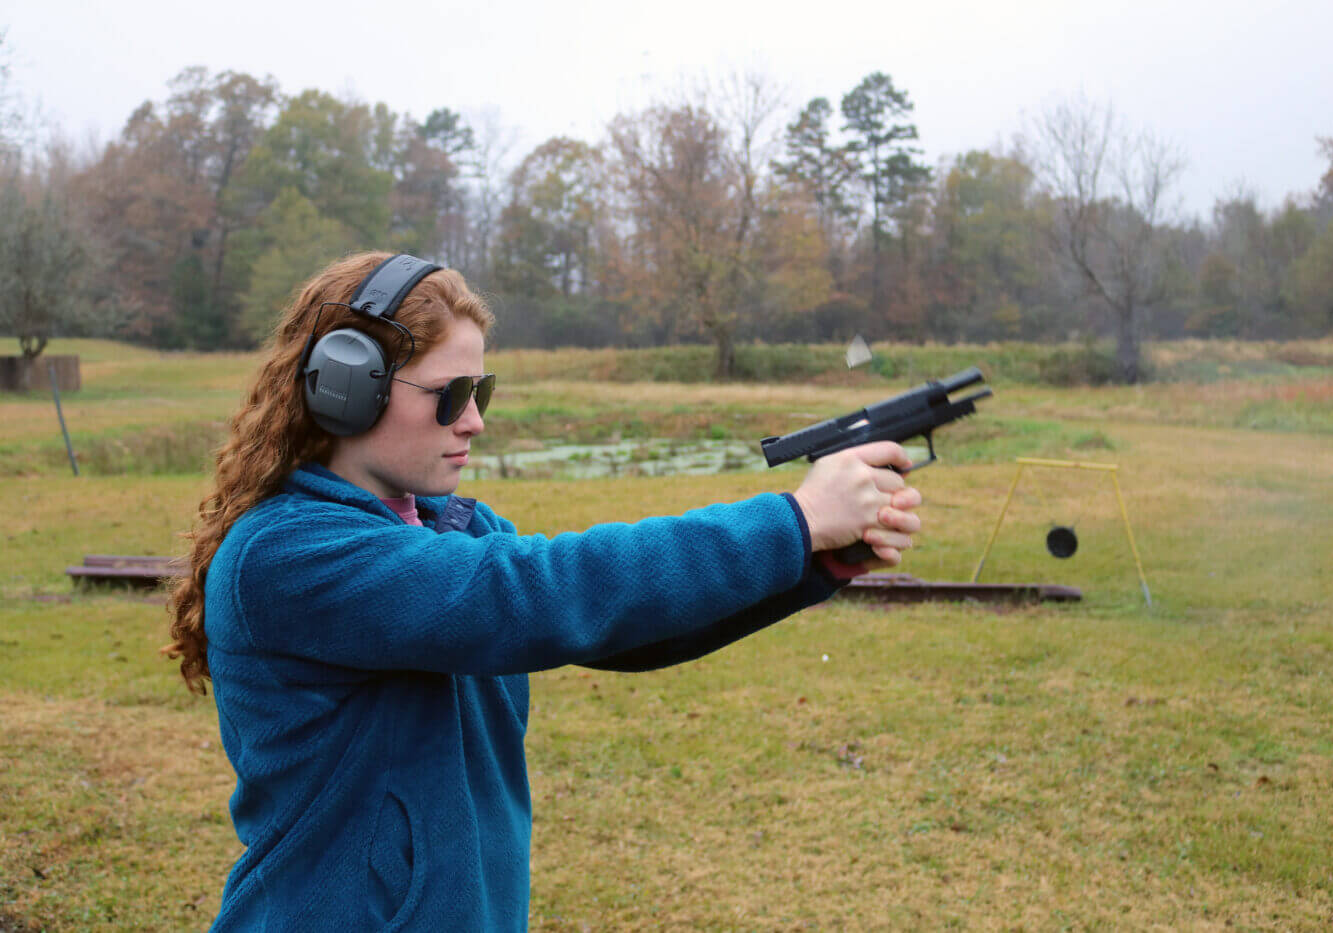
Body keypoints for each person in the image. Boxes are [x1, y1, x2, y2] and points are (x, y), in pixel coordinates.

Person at [165, 251, 921, 931]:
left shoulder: (450, 528)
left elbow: (612, 624)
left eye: (480, 386)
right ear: (346, 389)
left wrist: (813, 561)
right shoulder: (287, 555)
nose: (475, 419)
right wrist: (793, 518)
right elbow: (537, 592)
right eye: (450, 391)